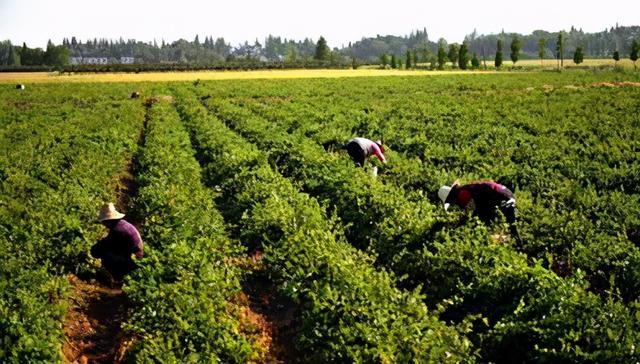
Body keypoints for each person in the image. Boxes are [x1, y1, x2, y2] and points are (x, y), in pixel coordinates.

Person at [438, 180, 521, 242]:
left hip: (502, 199)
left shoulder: (462, 194)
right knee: (510, 227)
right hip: (506, 195)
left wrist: (454, 226)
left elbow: (469, 212)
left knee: (486, 223)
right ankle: (509, 240)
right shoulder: (466, 189)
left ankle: (508, 241)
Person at [91, 203, 143, 281]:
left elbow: (105, 246)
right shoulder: (122, 224)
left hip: (133, 260)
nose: (103, 224)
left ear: (108, 221)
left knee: (104, 254)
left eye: (104, 222)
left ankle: (116, 278)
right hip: (135, 255)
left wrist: (97, 248)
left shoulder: (117, 230)